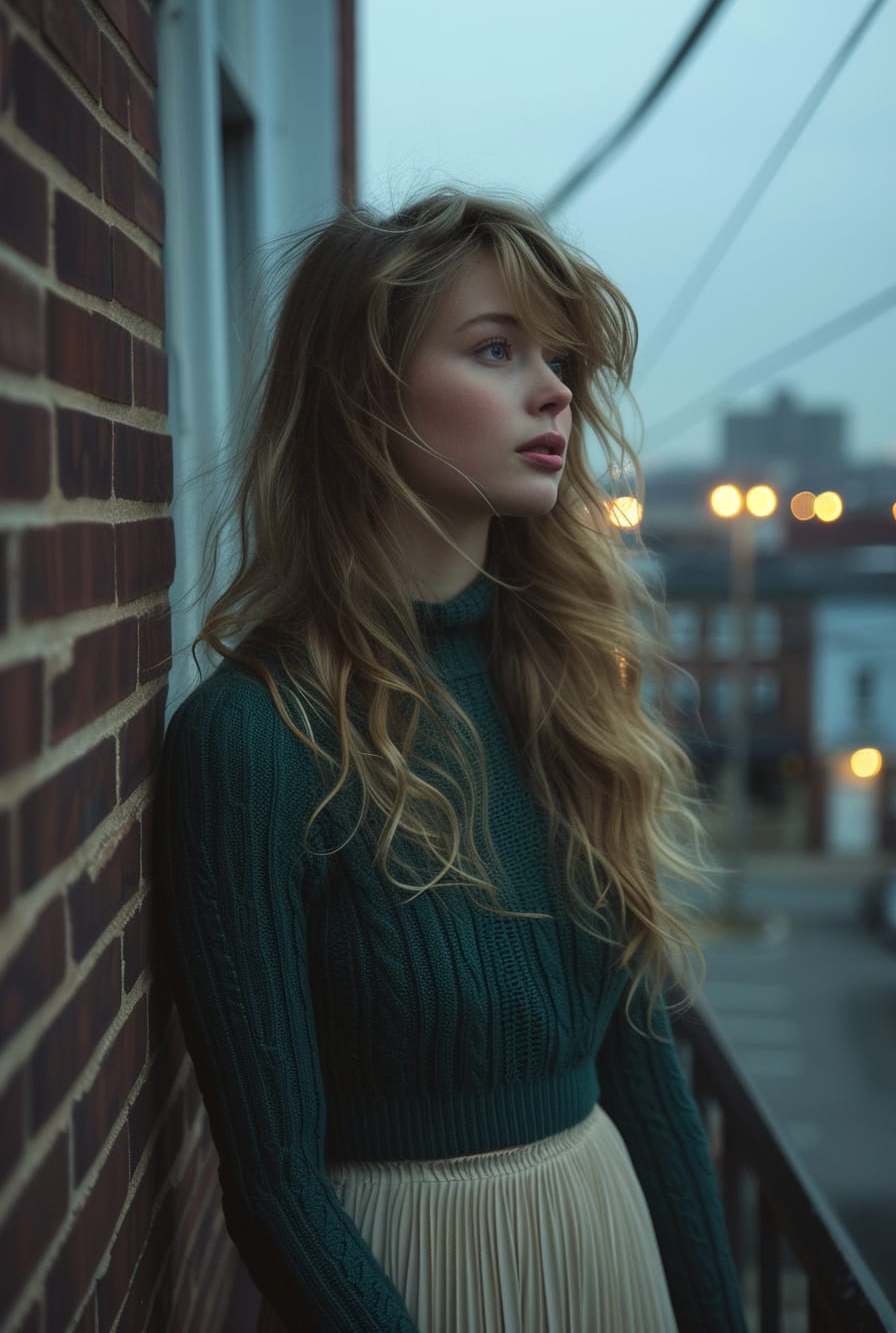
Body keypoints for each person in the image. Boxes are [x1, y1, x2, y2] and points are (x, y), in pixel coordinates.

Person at [156, 188, 748, 1332]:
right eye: (494, 350)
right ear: (365, 392)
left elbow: (640, 1069)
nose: (555, 391)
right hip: (410, 1284)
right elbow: (272, 1183)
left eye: (560, 359)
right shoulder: (250, 742)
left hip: (607, 1251)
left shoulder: (563, 698)